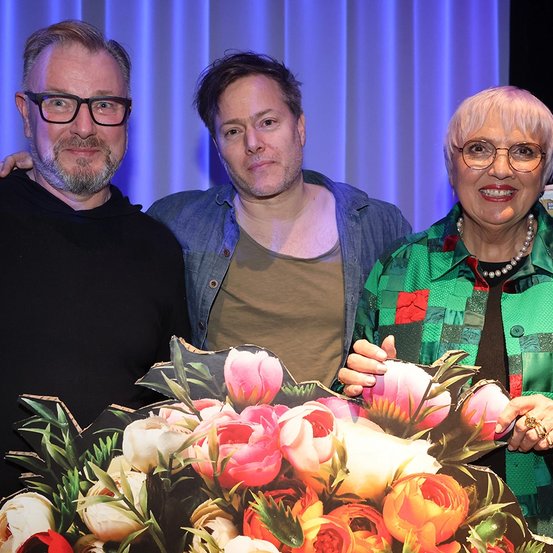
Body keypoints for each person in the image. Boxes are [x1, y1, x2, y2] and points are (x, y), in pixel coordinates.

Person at [337, 86, 553, 535]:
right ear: (451, 163)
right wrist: (357, 391)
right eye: (478, 149)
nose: (500, 169)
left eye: (524, 152)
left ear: (546, 168)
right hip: (420, 532)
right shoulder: (398, 270)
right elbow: (356, 417)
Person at [0, 20, 189, 498]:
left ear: (126, 116)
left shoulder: (160, 249)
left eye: (104, 105)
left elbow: (171, 416)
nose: (84, 127)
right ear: (27, 113)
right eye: (61, 102)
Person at [146, 52, 411, 386]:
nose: (253, 143)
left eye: (267, 122)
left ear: (299, 127)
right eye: (232, 131)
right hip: (221, 436)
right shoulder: (175, 223)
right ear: (217, 146)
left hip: (344, 434)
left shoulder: (379, 226)